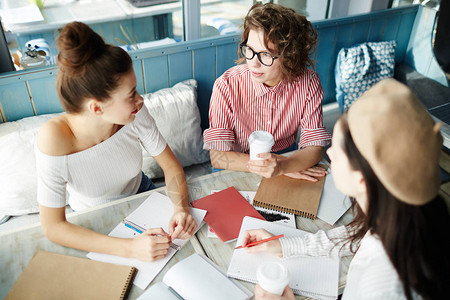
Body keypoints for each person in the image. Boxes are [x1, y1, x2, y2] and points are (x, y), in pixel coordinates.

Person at [242, 79, 450, 299]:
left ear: (362, 179)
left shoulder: (383, 286)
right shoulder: (404, 217)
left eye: (337, 151)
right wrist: (283, 245)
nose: (328, 155)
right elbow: (353, 236)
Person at [36, 22, 197, 262]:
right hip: (93, 215)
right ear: (97, 108)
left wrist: (181, 208)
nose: (140, 99)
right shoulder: (53, 138)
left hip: (141, 193)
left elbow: (170, 166)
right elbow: (53, 227)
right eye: (131, 94)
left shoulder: (135, 113)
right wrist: (131, 248)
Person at [203, 3, 331, 181]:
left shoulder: (309, 83)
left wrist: (283, 165)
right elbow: (218, 158)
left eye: (266, 55)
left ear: (290, 56)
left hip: (286, 157)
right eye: (249, 50)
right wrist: (278, 166)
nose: (254, 63)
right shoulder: (226, 85)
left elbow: (315, 146)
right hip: (237, 163)